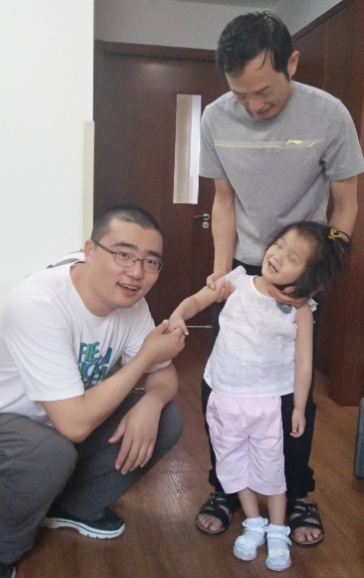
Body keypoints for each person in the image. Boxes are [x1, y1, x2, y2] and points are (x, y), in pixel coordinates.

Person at [0, 205, 185, 578]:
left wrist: (151, 401)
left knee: (167, 416)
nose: (136, 272)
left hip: (58, 428)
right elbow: (74, 424)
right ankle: (1, 547)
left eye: (150, 262)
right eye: (123, 254)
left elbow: (164, 376)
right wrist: (145, 358)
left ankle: (70, 506)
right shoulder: (38, 303)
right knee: (48, 454)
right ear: (90, 251)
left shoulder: (131, 304)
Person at [197, 11, 364, 545]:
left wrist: (317, 276)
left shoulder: (329, 115)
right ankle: (227, 486)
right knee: (222, 385)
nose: (254, 106)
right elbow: (223, 201)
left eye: (264, 92)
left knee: (292, 390)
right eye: (241, 95)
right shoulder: (216, 119)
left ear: (291, 62)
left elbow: (346, 204)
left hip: (300, 271)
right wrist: (221, 274)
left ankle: (295, 492)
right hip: (244, 268)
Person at [169, 222, 350, 570]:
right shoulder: (236, 281)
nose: (278, 255)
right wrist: (178, 315)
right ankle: (254, 522)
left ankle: (278, 530)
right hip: (224, 395)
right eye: (279, 244)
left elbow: (304, 361)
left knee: (272, 468)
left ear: (308, 276)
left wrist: (299, 407)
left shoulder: (300, 309)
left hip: (268, 402)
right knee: (232, 461)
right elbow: (196, 300)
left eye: (293, 257)